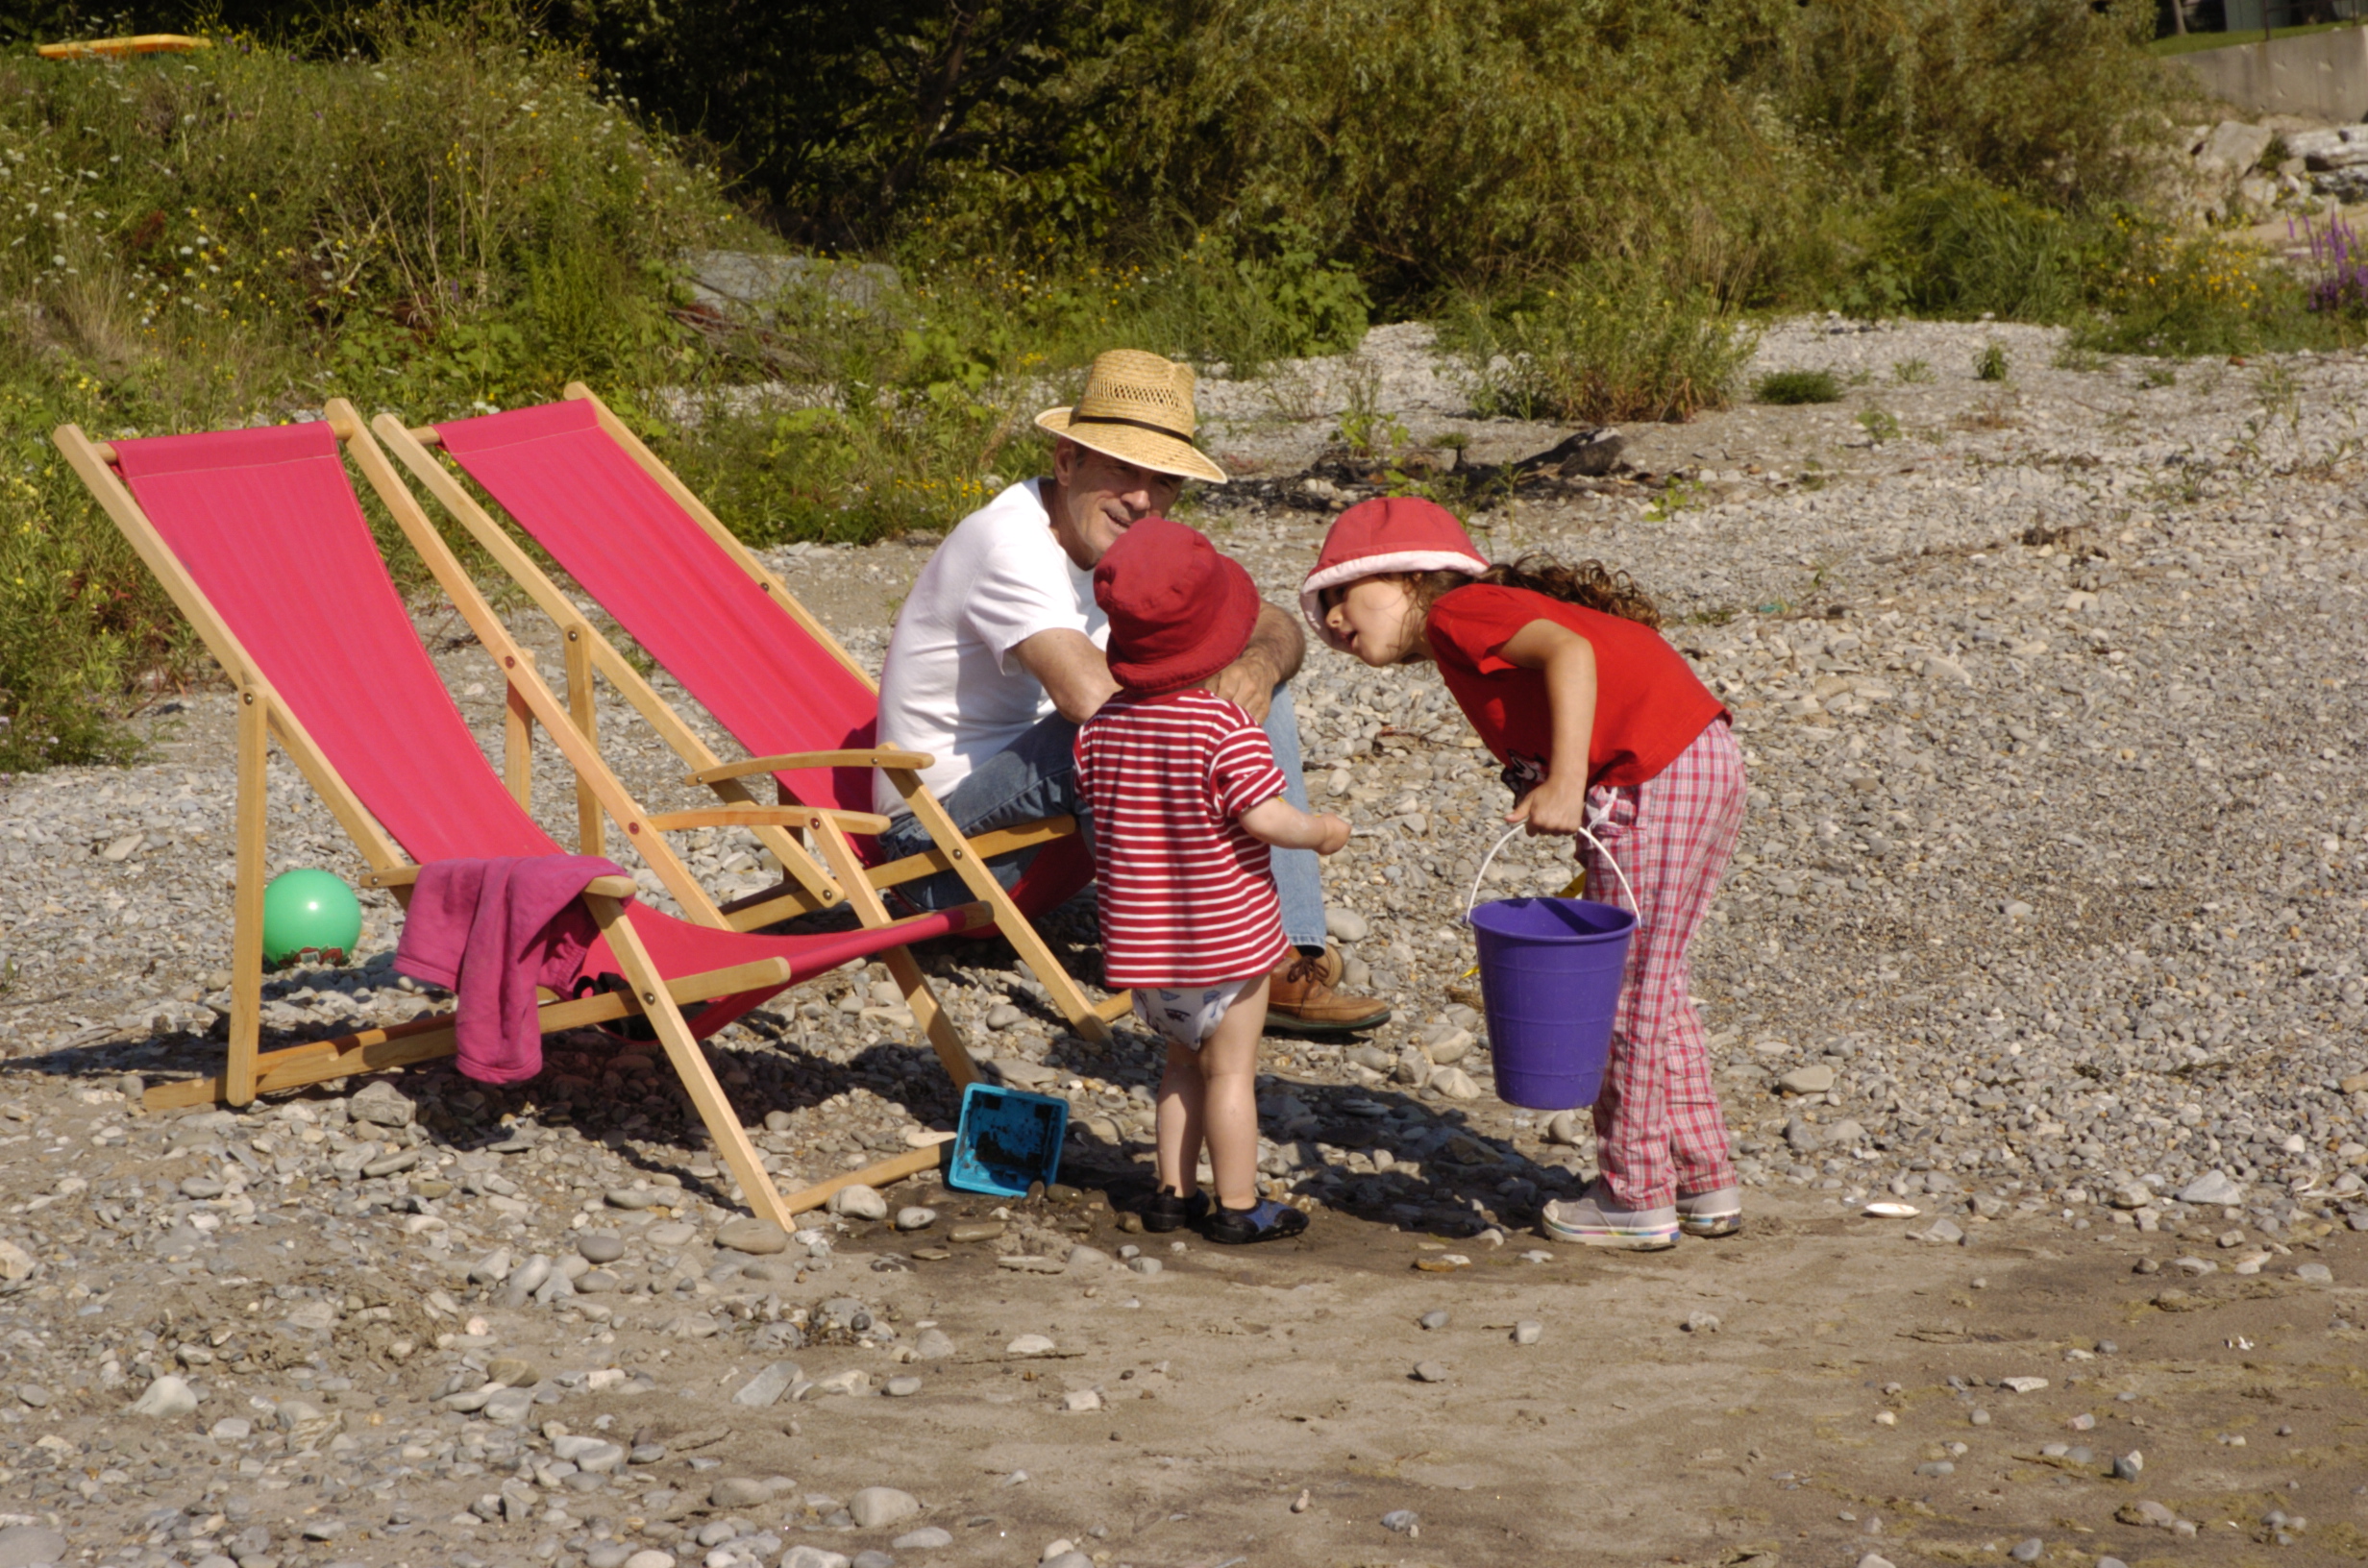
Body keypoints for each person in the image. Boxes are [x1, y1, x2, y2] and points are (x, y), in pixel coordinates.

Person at [873, 348, 1386, 1034]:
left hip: (1034, 831)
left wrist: (1259, 666)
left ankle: (1289, 947)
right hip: (933, 860)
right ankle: (1245, 960)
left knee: (1251, 683)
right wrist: (1215, 703)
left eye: (1163, 481)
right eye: (1122, 469)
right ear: (1066, 462)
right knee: (1153, 717)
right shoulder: (1007, 543)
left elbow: (1268, 621)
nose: (1142, 499)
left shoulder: (1127, 541)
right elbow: (1090, 700)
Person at [1301, 496, 1746, 1250]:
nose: (1333, 618)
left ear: (1411, 577)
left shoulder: (1457, 612)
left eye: (1344, 592)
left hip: (1655, 771)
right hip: (1692, 761)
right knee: (1655, 985)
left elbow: (1570, 652)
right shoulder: (1468, 629)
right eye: (1324, 607)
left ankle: (1635, 1195)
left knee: (1621, 993)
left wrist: (1567, 782)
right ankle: (1703, 1179)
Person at [1075, 518, 1352, 1242]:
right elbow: (1266, 818)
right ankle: (1238, 1204)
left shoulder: (1100, 728)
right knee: (1230, 1074)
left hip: (1146, 956)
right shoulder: (1223, 727)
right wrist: (1322, 831)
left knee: (1177, 1069)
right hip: (1225, 950)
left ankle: (1172, 1195)